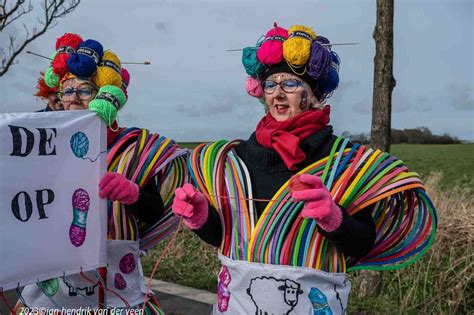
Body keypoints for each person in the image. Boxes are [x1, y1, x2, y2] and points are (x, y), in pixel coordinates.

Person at [172, 23, 437, 314]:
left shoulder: (343, 161)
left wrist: (334, 219)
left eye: (290, 84)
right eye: (271, 85)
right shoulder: (237, 158)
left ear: (314, 94)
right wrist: (201, 218)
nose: (278, 94)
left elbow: (361, 245)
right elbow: (228, 239)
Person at [17, 33, 186, 313]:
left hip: (115, 294)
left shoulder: (133, 147)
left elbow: (155, 211)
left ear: (104, 96)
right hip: (49, 300)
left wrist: (132, 194)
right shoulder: (39, 145)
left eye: (84, 90)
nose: (72, 99)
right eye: (67, 89)